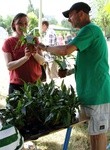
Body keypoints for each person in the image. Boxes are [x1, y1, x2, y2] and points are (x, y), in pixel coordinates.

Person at [38, 2, 110, 150]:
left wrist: (43, 47)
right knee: (94, 132)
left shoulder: (90, 29)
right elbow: (90, 62)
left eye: (70, 15)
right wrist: (69, 72)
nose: (69, 19)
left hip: (98, 93)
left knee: (98, 135)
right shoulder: (89, 31)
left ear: (81, 14)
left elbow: (65, 50)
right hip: (90, 92)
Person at [2, 13, 45, 94]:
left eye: (25, 23)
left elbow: (42, 61)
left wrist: (34, 54)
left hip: (35, 85)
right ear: (14, 25)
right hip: (17, 86)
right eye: (20, 23)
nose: (23, 26)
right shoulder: (9, 42)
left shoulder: (33, 39)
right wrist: (25, 58)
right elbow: (9, 66)